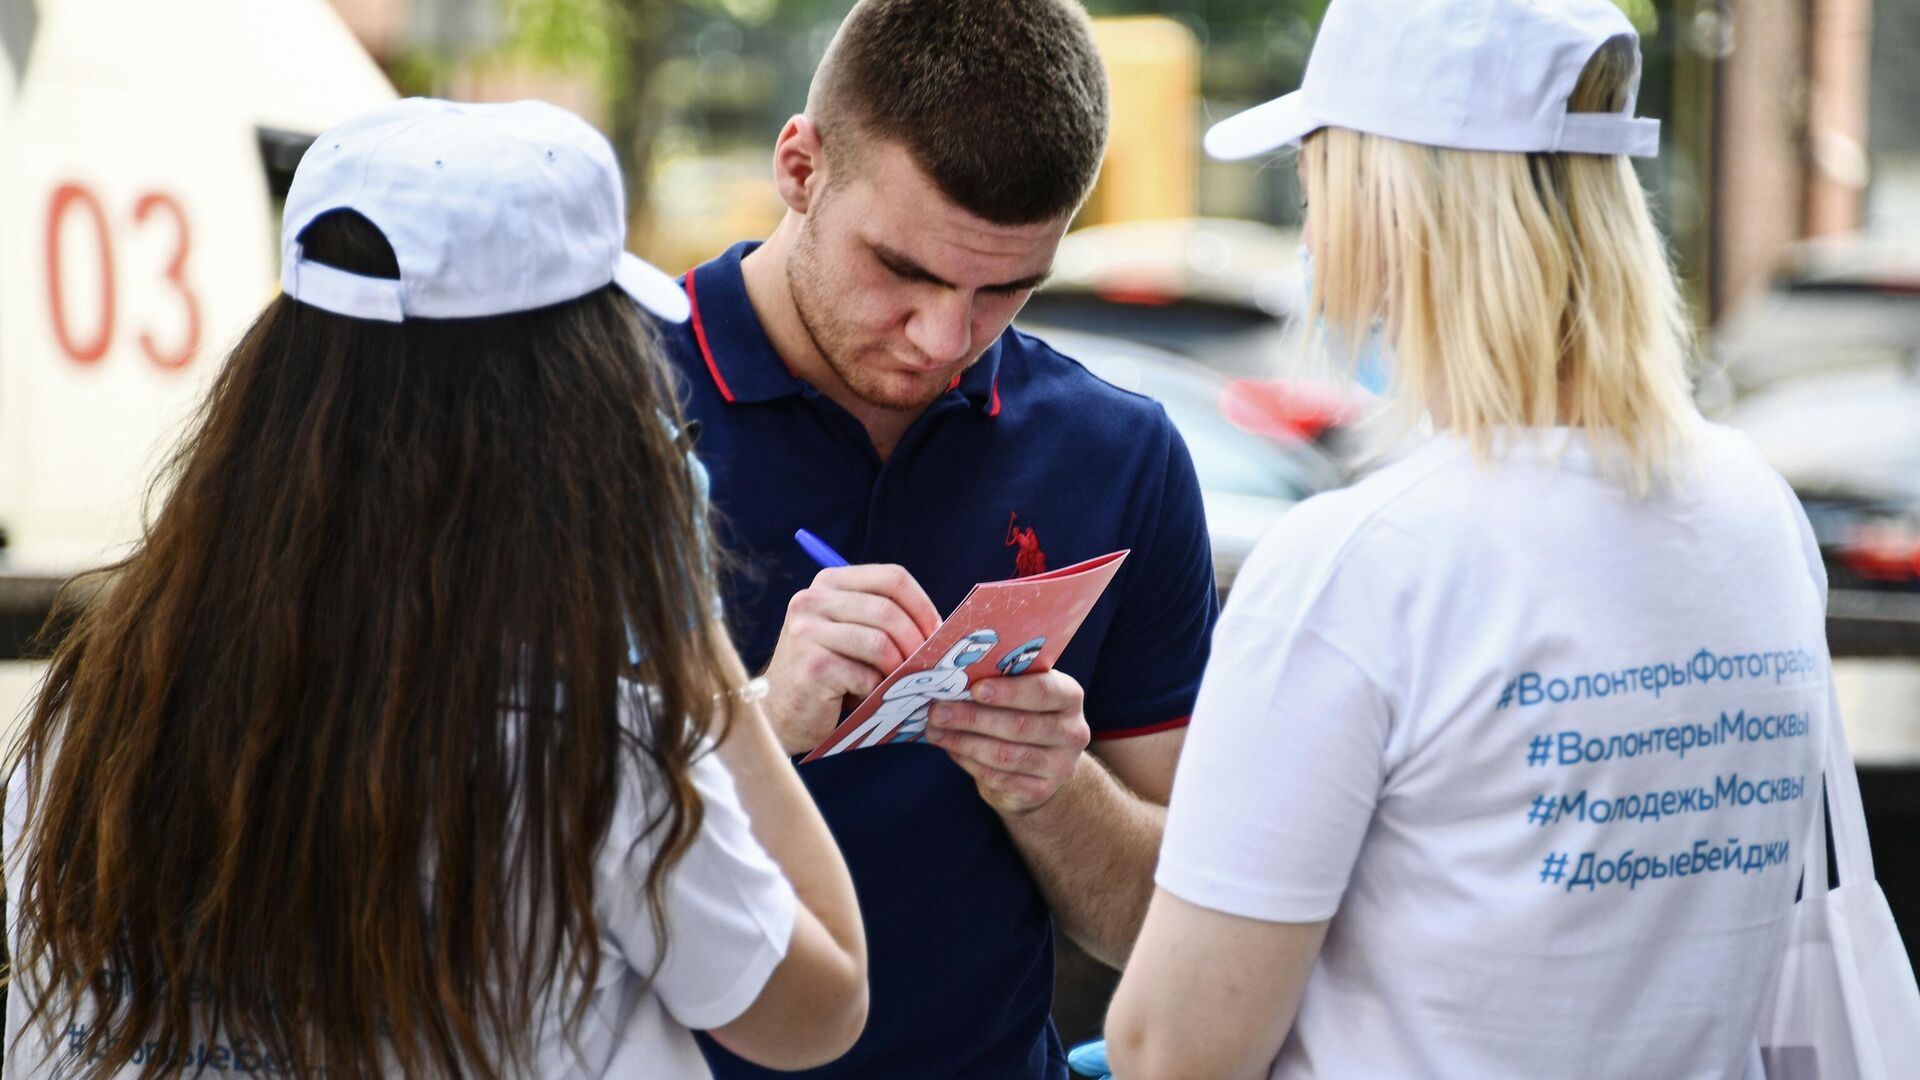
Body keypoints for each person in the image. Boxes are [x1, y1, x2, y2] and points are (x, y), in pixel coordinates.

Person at [3, 98, 866, 1079]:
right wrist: (699, 655)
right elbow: (824, 1005)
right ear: (576, 420)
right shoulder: (586, 755)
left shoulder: (102, 702)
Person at [1107, 2, 1832, 1077]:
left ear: (1387, 206)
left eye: (1317, 187)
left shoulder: (1363, 564)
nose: (1311, 238)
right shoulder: (1755, 511)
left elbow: (1175, 1047)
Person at [657, 1, 1218, 1075]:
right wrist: (758, 724)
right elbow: (477, 859)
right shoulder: (605, 408)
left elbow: (1171, 934)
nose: (945, 339)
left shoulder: (1119, 455)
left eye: (1006, 289)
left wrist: (1054, 790)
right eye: (904, 272)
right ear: (800, 165)